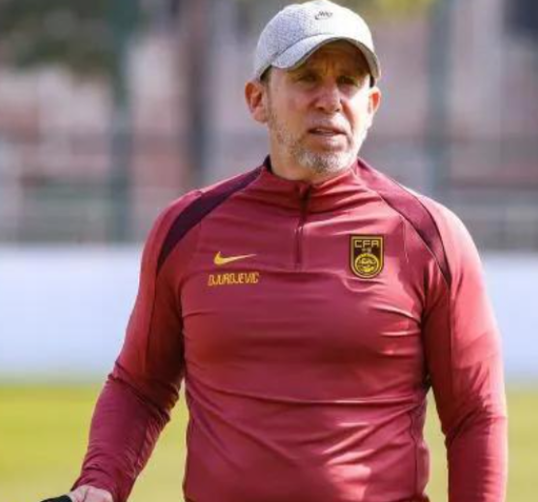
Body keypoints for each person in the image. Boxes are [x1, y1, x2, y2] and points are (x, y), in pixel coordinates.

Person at [43, 1, 507, 501]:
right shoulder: (186, 230)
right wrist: (101, 482)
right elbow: (140, 386)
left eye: (348, 81)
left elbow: (474, 413)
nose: (330, 100)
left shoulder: (430, 237)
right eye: (307, 78)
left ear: (371, 105)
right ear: (257, 99)